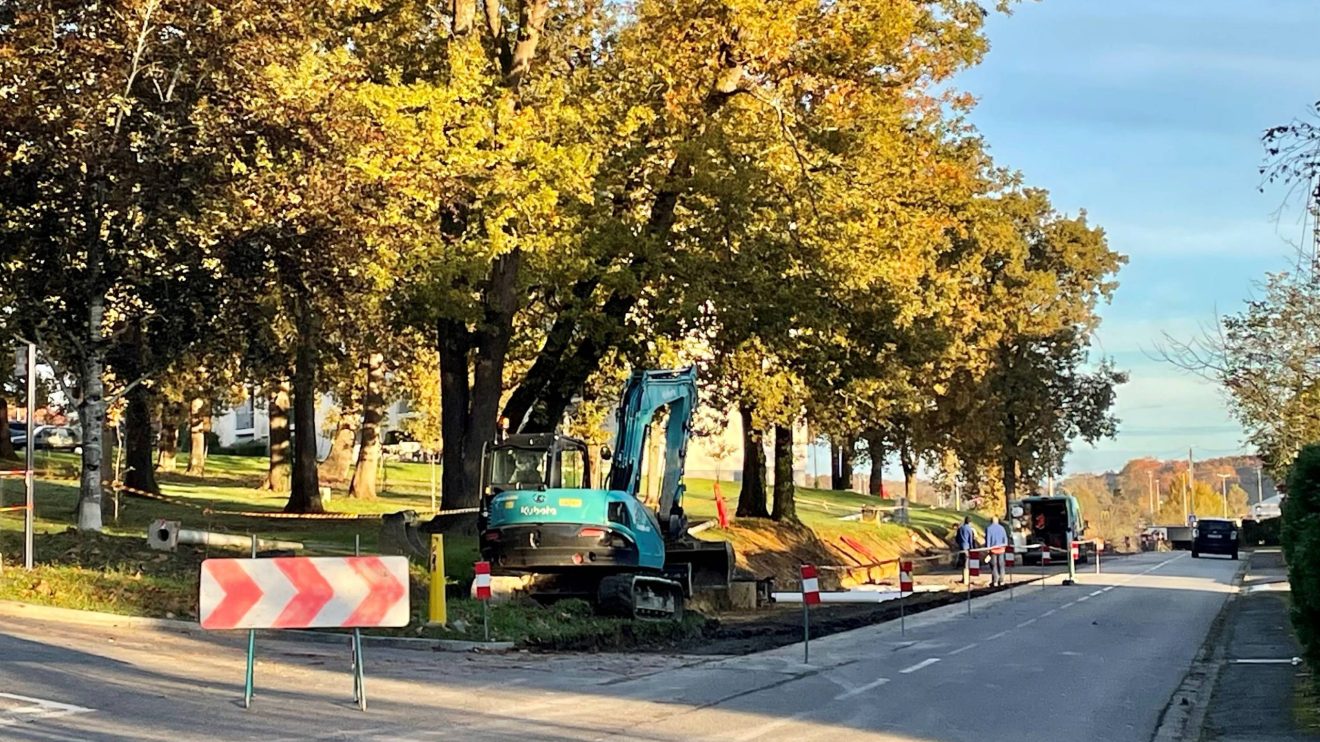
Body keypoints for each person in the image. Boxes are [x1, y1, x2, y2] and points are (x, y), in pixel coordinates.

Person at [985, 515, 1009, 587]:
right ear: (997, 521)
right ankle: (1001, 580)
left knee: (994, 565)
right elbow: (1005, 538)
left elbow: (988, 539)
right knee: (1001, 565)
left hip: (993, 550)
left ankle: (995, 580)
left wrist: (988, 549)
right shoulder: (1002, 528)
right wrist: (1004, 546)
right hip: (1001, 549)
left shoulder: (989, 529)